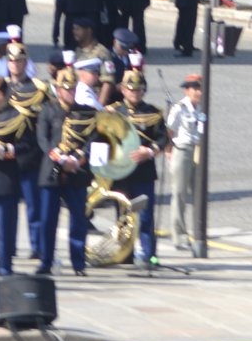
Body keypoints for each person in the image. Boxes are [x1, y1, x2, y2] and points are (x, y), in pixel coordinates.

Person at [37, 67, 95, 276]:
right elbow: (42, 139)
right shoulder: (48, 110)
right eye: (66, 89)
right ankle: (46, 261)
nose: (69, 92)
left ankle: (78, 263)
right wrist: (60, 158)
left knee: (78, 220)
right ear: (58, 89)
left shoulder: (86, 111)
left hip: (77, 170)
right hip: (52, 169)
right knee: (47, 220)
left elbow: (92, 138)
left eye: (72, 89)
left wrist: (78, 158)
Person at [109, 70, 167, 266]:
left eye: (139, 90)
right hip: (121, 173)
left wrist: (150, 151)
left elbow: (162, 138)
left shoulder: (153, 113)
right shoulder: (114, 112)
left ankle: (149, 254)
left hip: (143, 172)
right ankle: (125, 254)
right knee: (123, 216)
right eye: (131, 89)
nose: (135, 93)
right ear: (123, 90)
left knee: (145, 216)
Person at [5, 42, 46, 262]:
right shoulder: (2, 88)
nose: (15, 65)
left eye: (19, 60)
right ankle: (7, 247)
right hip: (5, 158)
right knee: (7, 207)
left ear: (25, 62)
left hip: (29, 155)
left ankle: (37, 246)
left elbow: (44, 122)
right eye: (11, 61)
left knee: (33, 206)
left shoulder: (37, 89)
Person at [0, 79, 34, 277]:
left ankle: (5, 265)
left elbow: (27, 145)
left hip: (5, 178)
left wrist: (6, 150)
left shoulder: (17, 116)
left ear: (3, 95)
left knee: (6, 226)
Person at [164, 74, 204, 257]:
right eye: (195, 88)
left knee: (198, 194)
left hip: (197, 150)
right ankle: (179, 234)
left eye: (200, 88)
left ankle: (198, 231)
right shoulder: (179, 108)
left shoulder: (201, 108)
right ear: (187, 90)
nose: (198, 92)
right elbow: (169, 131)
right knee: (179, 193)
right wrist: (169, 151)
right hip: (182, 150)